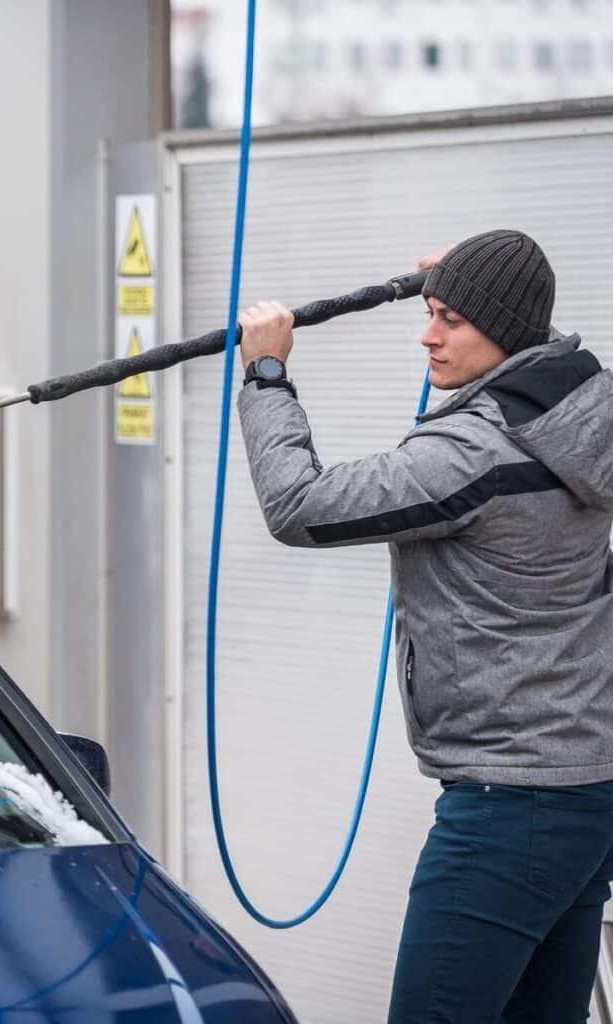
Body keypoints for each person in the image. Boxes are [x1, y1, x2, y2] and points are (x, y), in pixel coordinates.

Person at [237, 229, 613, 1023]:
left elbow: (299, 507)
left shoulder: (472, 453)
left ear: (504, 330)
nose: (427, 337)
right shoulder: (585, 413)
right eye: (431, 312)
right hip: (587, 791)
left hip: (508, 808)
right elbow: (530, 339)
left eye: (452, 320)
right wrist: (475, 286)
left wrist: (267, 375)